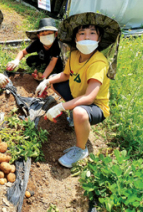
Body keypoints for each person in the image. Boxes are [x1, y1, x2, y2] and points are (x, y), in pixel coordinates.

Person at [35, 12, 120, 168]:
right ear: (75, 38)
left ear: (99, 39)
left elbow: (89, 99)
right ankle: (75, 117)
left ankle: (81, 150)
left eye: (92, 33)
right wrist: (47, 80)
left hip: (96, 106)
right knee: (55, 83)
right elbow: (65, 74)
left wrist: (61, 106)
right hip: (78, 96)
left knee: (80, 112)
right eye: (82, 33)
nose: (87, 37)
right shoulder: (74, 55)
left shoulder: (98, 62)